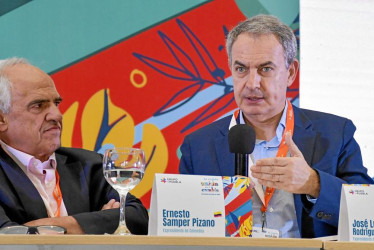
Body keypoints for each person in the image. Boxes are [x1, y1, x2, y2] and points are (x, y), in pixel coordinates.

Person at [179, 14, 374, 238]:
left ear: (290, 73)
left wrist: (314, 183)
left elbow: (368, 213)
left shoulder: (335, 133)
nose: (252, 84)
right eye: (241, 69)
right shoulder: (198, 146)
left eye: (265, 69)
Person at [0, 58, 148, 234]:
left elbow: (136, 217)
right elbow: (6, 235)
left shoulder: (88, 164)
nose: (56, 115)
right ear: (2, 119)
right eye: (38, 106)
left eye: (56, 103)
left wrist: (54, 227)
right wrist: (97, 222)